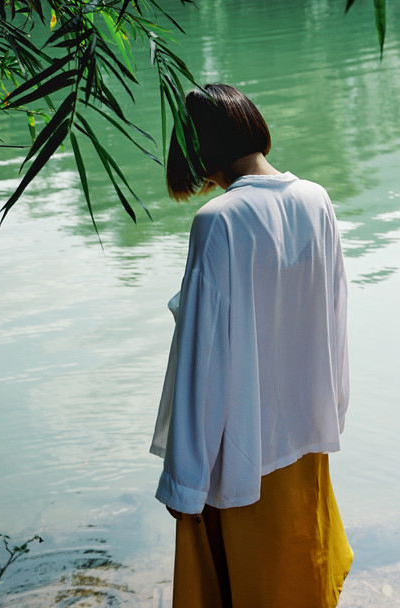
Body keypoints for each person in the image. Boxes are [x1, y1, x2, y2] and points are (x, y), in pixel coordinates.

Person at [150, 83, 352, 608]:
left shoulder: (218, 222)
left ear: (199, 151)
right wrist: (332, 415)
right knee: (301, 581)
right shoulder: (316, 199)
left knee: (241, 589)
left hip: (238, 455)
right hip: (304, 442)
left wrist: (185, 482)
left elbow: (202, 360)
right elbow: (335, 320)